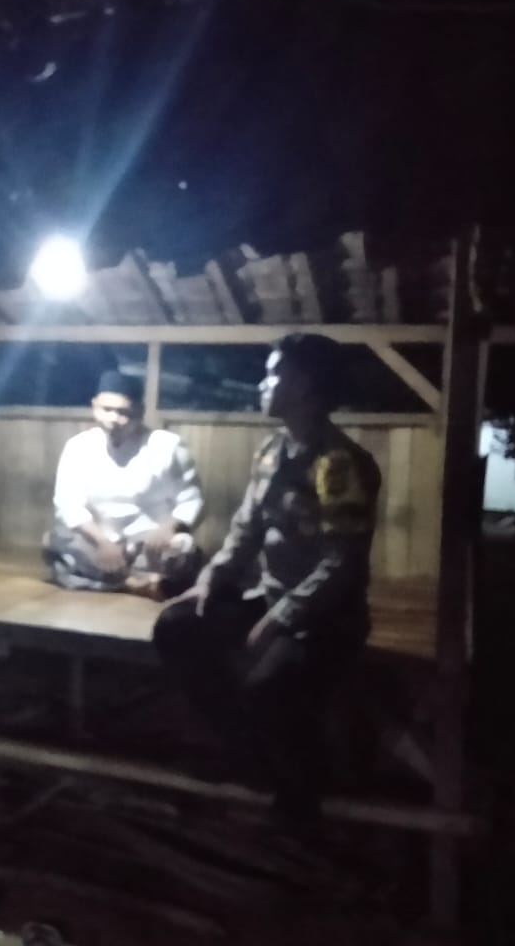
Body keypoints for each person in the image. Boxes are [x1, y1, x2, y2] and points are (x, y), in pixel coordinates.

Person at [152, 333, 381, 825]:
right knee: (175, 627)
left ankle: (302, 798)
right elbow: (245, 529)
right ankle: (246, 754)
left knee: (269, 685)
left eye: (274, 373)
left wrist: (280, 619)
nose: (262, 382)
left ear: (306, 384)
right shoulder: (272, 453)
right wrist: (212, 578)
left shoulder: (338, 465)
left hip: (326, 618)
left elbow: (343, 562)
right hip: (271, 598)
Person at [43, 370, 205, 599]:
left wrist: (169, 527)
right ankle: (135, 584)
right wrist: (102, 543)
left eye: (123, 412)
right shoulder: (78, 447)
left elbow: (192, 499)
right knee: (55, 540)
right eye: (106, 410)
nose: (113, 419)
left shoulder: (167, 446)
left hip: (149, 547)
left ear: (140, 412)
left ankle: (108, 580)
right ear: (94, 406)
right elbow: (68, 504)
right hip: (100, 543)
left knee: (184, 550)